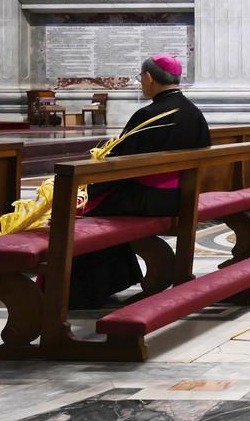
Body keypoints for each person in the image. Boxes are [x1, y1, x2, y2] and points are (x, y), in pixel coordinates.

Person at [68, 54, 211, 309]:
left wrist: (89, 189)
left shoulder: (148, 115)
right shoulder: (194, 113)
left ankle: (87, 292)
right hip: (180, 197)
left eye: (140, 78)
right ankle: (116, 279)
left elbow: (119, 164)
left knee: (86, 210)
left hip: (148, 199)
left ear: (148, 77)